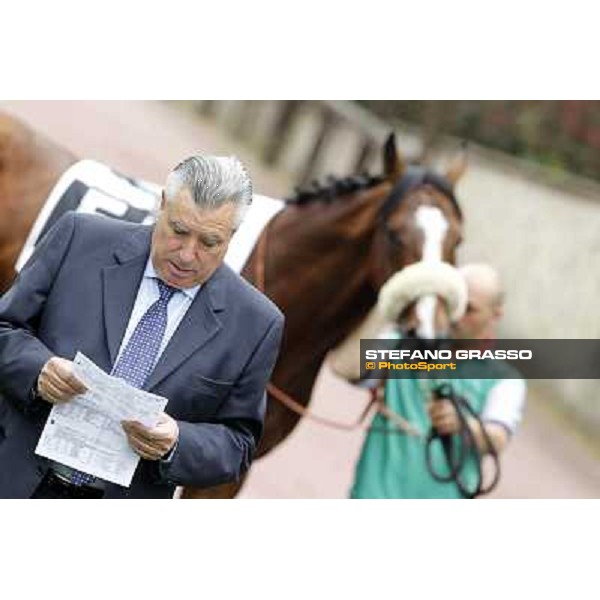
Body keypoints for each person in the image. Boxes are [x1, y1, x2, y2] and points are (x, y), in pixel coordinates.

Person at [0, 155, 284, 499]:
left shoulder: (256, 324)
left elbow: (237, 445)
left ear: (232, 235)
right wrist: (37, 371)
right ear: (162, 203)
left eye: (209, 242)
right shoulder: (79, 238)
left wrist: (177, 441)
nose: (187, 255)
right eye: (179, 231)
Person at [331, 263, 525, 499]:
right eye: (453, 302)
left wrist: (464, 425)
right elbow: (345, 367)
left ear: (495, 315)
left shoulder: (505, 381)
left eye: (469, 309)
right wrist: (391, 306)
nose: (456, 315)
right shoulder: (404, 344)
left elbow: (497, 440)